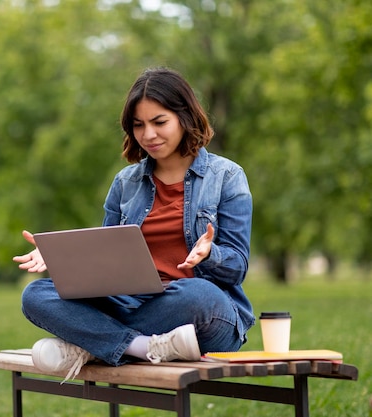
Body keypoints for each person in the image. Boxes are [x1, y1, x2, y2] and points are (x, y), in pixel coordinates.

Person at [13, 67, 254, 382]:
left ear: (185, 117)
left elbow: (237, 268)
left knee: (200, 294)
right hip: (132, 304)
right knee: (36, 295)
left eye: (159, 122)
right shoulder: (126, 183)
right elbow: (104, 266)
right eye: (138, 125)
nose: (148, 135)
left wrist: (211, 254)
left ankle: (95, 345)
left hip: (200, 317)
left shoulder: (227, 176)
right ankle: (141, 346)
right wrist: (64, 262)